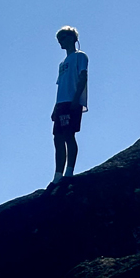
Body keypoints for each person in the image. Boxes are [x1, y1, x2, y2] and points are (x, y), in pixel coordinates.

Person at [51, 25, 88, 186]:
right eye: (59, 39)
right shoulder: (62, 63)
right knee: (57, 138)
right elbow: (60, 86)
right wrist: (55, 107)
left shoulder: (80, 56)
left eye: (63, 38)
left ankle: (69, 171)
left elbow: (83, 77)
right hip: (61, 103)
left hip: (72, 102)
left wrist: (76, 99)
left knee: (69, 135)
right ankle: (57, 174)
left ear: (73, 38)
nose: (61, 41)